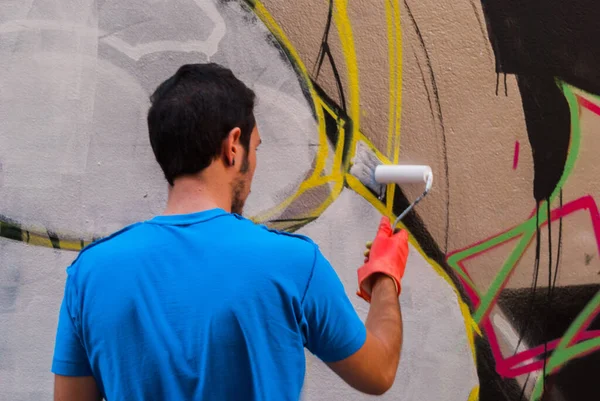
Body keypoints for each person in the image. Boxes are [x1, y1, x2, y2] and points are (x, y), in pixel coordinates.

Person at [51, 63, 410, 401]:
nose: (254, 166)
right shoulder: (294, 264)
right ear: (233, 146)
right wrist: (384, 279)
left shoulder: (90, 274)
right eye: (255, 148)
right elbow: (378, 372)